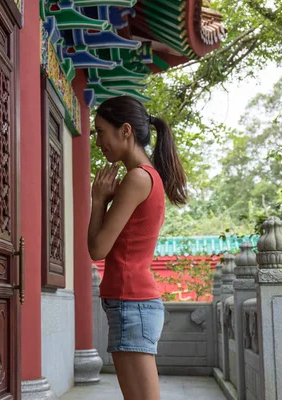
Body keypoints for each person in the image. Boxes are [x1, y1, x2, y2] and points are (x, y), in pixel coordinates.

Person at [88, 96, 187, 400]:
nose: (97, 141)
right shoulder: (146, 177)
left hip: (133, 302)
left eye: (101, 131)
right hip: (130, 302)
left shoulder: (137, 178)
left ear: (125, 130)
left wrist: (98, 200)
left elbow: (98, 249)